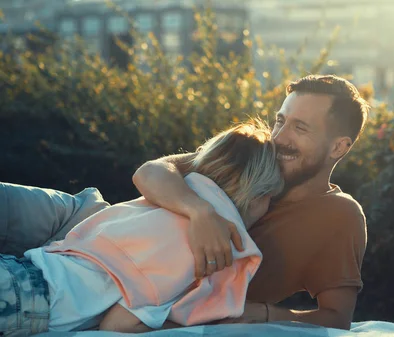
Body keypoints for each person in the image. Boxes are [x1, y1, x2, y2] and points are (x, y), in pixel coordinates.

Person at [0, 74, 370, 331]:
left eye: (299, 128)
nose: (279, 137)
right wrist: (199, 212)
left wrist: (253, 313)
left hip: (118, 276)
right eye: (280, 120)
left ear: (339, 146)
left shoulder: (339, 216)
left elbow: (336, 318)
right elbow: (149, 174)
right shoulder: (255, 155)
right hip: (96, 227)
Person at [0, 122, 284, 336]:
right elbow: (118, 325)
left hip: (23, 270)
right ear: (258, 195)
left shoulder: (174, 197)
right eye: (270, 198)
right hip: (28, 304)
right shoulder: (202, 248)